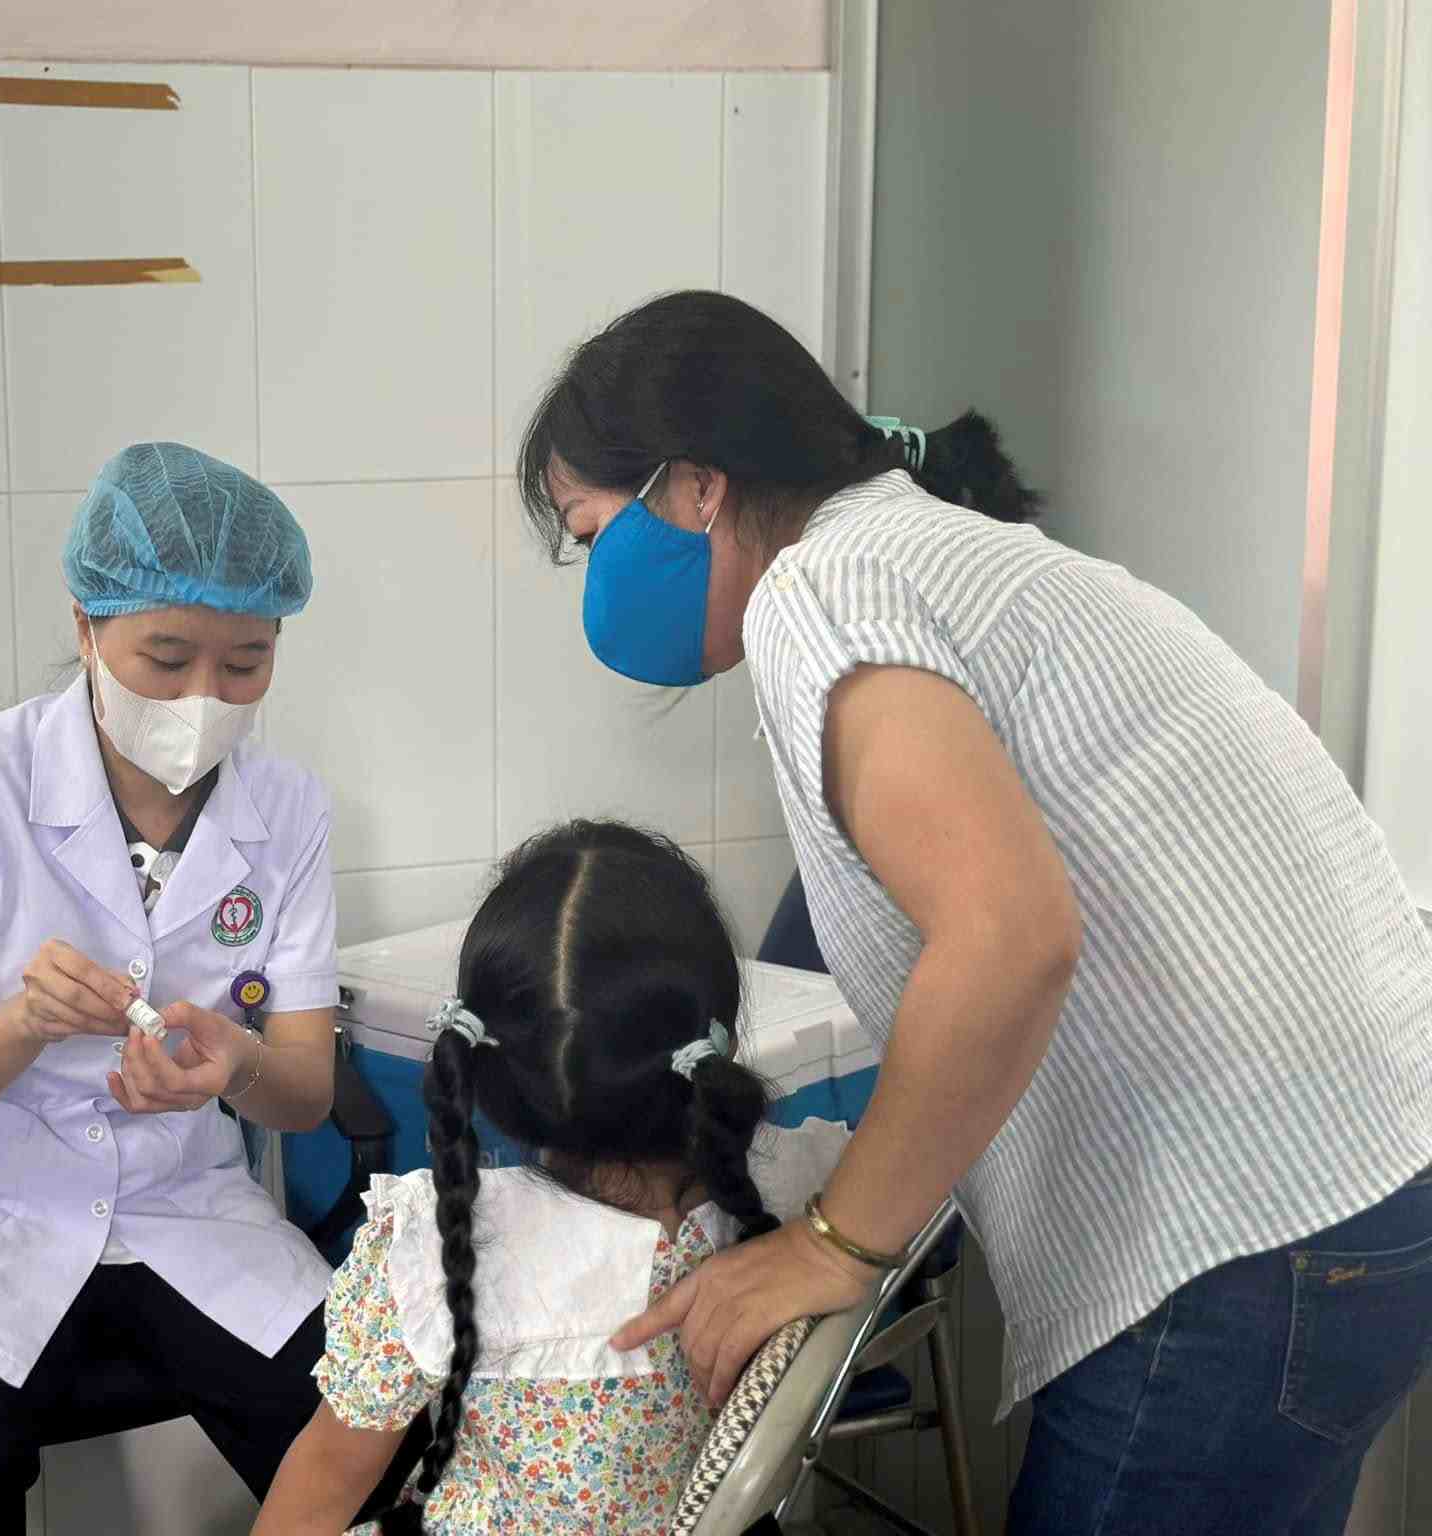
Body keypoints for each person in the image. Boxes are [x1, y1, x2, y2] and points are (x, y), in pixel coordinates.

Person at [515, 290, 1432, 1535]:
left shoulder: (819, 590)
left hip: (1241, 1229)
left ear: (694, 488)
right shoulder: (936, 554)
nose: (597, 578)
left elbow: (1007, 939)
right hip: (1362, 1184)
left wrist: (834, 1242)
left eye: (590, 531)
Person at [0, 442, 403, 1532]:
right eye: (166, 657)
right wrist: (24, 1024)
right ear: (87, 626)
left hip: (182, 1206)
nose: (203, 697)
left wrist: (238, 1068)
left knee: (379, 1443)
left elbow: (304, 1095)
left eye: (246, 663)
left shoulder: (289, 810)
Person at [253, 819, 781, 1535]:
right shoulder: (792, 1200)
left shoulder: (432, 1251)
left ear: (488, 1069)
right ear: (717, 1041)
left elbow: (326, 1475)